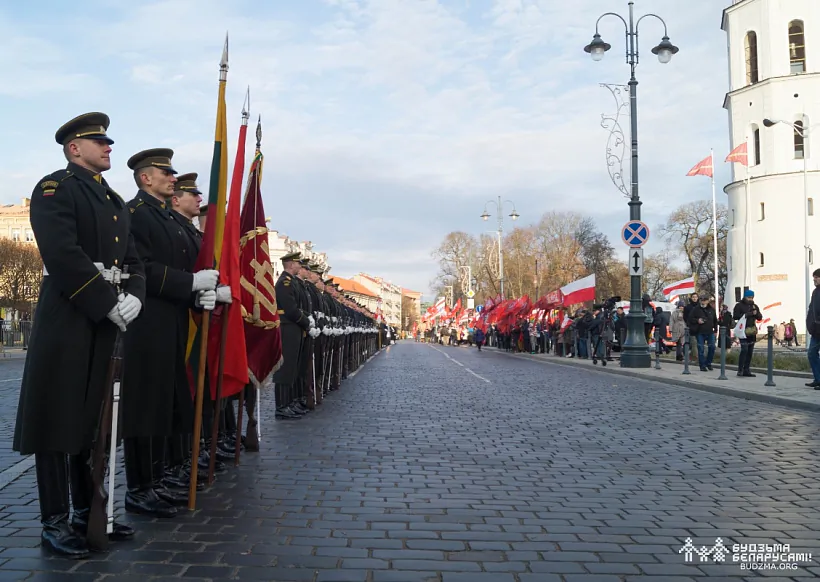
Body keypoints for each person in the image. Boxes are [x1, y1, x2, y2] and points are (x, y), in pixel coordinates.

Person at [13, 113, 146, 558]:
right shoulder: (56, 189)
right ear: (75, 148)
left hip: (103, 319)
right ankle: (54, 519)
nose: (109, 147)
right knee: (56, 419)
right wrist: (105, 300)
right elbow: (62, 253)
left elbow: (134, 260)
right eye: (101, 141)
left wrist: (136, 298)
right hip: (68, 315)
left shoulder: (113, 199)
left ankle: (88, 512)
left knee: (93, 420)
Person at [121, 149, 223, 517]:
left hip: (174, 320)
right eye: (167, 173)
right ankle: (139, 486)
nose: (173, 178)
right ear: (147, 178)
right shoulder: (136, 215)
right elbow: (143, 267)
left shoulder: (165, 218)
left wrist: (201, 292)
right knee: (144, 404)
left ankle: (157, 477)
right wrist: (190, 282)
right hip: (147, 321)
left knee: (165, 401)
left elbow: (180, 266)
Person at [733, 289, 763, 377]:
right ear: (745, 297)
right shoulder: (739, 305)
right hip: (743, 331)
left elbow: (760, 317)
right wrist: (748, 314)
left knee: (750, 351)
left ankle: (747, 369)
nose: (750, 299)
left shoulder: (754, 306)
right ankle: (740, 369)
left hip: (751, 331)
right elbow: (736, 316)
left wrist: (756, 313)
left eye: (751, 297)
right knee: (744, 349)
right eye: (748, 297)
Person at [687, 294, 717, 371]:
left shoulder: (711, 310)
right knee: (701, 348)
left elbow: (715, 320)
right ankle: (702, 365)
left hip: (710, 331)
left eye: (705, 300)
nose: (703, 301)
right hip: (700, 331)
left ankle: (708, 363)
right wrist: (697, 320)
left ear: (708, 301)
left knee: (712, 347)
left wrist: (716, 330)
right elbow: (690, 319)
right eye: (701, 300)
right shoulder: (696, 309)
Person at [805, 269, 820, 388]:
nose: (814, 279)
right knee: (811, 354)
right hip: (816, 330)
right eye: (814, 277)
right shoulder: (815, 292)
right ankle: (818, 378)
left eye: (817, 277)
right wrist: (810, 324)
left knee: (812, 353)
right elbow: (811, 309)